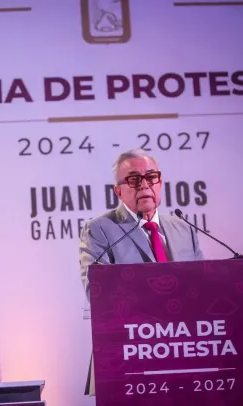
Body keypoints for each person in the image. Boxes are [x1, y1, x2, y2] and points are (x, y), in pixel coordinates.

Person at [78, 149, 205, 396]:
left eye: (151, 177)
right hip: (129, 360)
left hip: (186, 356)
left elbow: (203, 289)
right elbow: (98, 293)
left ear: (160, 182)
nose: (144, 185)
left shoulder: (183, 228)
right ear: (118, 191)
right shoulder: (99, 230)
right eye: (134, 179)